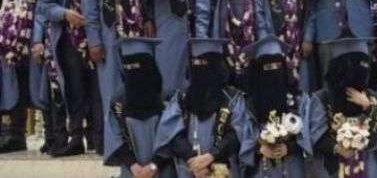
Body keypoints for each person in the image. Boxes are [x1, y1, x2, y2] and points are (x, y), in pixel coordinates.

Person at [81, 0, 155, 156]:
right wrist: (94, 42)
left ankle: (143, 146)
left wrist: (149, 18)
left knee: (142, 90)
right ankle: (116, 149)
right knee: (112, 95)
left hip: (139, 36)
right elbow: (90, 8)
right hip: (109, 36)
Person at [38, 0, 103, 155]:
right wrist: (65, 13)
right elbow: (44, 5)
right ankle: (76, 137)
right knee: (74, 86)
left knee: (97, 87)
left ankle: (98, 138)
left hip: (94, 34)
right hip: (68, 36)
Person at [154, 37, 241, 178]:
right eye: (195, 63)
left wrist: (211, 156)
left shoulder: (233, 99)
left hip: (222, 169)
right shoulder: (182, 98)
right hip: (189, 169)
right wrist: (192, 159)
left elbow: (238, 133)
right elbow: (171, 132)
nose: (200, 69)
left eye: (205, 63)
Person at [233, 35, 312, 177]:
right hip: (261, 168)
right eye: (268, 67)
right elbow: (240, 136)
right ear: (258, 71)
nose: (274, 71)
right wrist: (259, 147)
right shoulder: (246, 104)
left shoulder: (299, 99)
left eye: (278, 66)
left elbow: (309, 134)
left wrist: (289, 147)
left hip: (292, 167)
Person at [310, 38, 377, 177]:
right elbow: (316, 134)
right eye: (355, 64)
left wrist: (368, 106)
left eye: (365, 64)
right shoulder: (322, 98)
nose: (361, 70)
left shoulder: (371, 97)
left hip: (367, 166)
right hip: (334, 167)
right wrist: (338, 148)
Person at [0, 0, 48, 153]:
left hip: (35, 39)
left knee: (41, 86)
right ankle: (16, 135)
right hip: (9, 43)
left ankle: (52, 135)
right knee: (14, 86)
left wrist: (40, 38)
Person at [104, 37, 173, 178]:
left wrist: (154, 165)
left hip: (163, 170)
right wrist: (133, 166)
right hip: (132, 172)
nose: (133, 71)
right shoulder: (118, 102)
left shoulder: (167, 99)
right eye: (128, 67)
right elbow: (115, 139)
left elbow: (173, 137)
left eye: (139, 65)